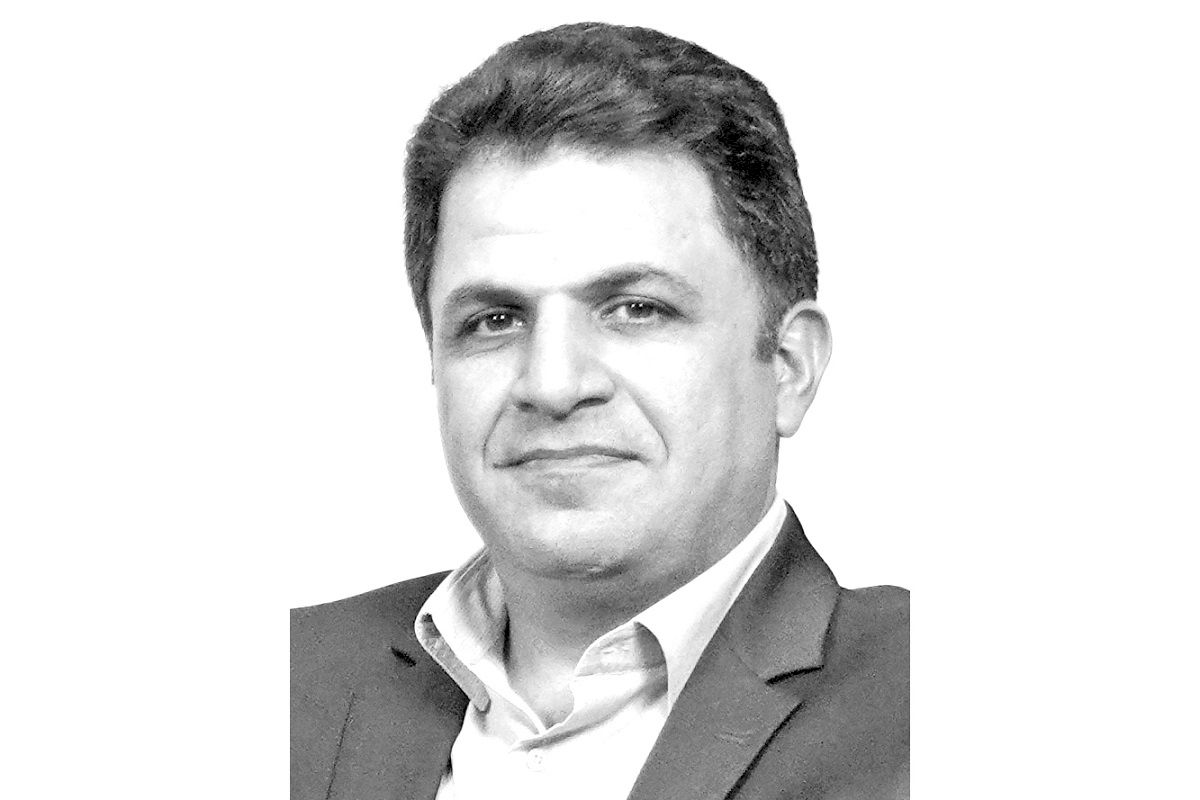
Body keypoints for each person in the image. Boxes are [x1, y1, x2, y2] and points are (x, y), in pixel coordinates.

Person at [291, 21, 908, 800]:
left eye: (636, 309)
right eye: (495, 320)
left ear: (789, 367)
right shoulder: (281, 683)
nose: (552, 385)